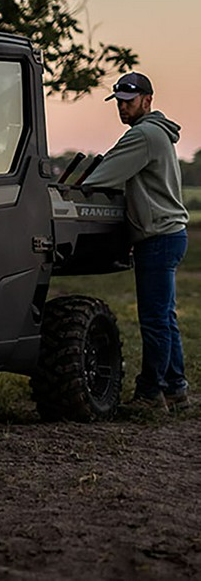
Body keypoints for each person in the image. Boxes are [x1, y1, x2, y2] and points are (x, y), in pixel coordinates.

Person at [82, 72, 190, 412]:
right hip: (171, 233)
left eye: (129, 102)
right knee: (165, 317)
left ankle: (150, 394)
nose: (123, 108)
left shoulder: (142, 136)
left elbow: (101, 177)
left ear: (147, 100)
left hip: (158, 236)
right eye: (119, 102)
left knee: (155, 319)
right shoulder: (160, 134)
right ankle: (176, 388)